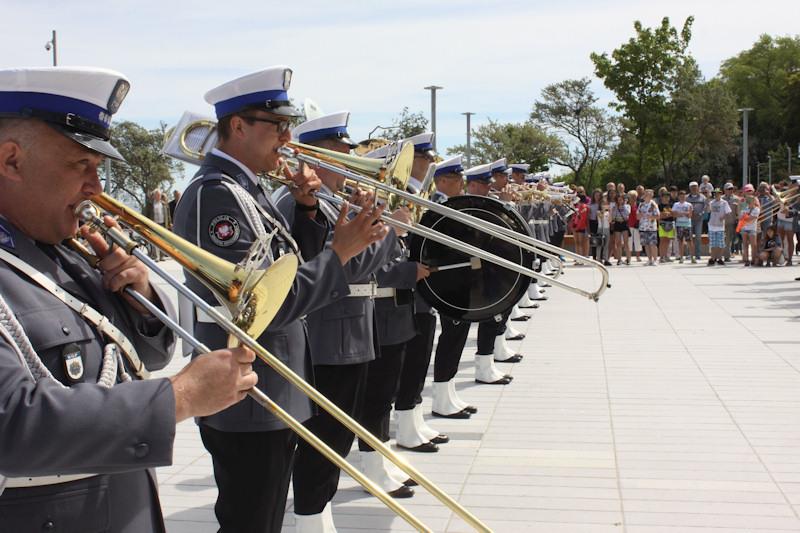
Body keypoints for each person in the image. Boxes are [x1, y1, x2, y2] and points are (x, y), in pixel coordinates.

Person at [0, 66, 259, 532]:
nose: (96, 188)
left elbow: (144, 357)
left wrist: (139, 296)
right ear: (11, 160)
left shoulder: (65, 250)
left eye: (98, 169)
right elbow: (13, 423)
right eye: (81, 165)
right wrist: (179, 398)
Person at [172, 69, 388, 533]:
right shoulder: (217, 196)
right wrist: (341, 252)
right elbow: (261, 305)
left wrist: (310, 212)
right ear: (238, 127)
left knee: (263, 516)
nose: (288, 139)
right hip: (249, 395)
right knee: (250, 520)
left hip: (269, 387)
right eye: (277, 126)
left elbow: (292, 266)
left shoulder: (245, 190)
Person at [272, 111, 405, 530]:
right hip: (327, 330)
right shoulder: (294, 203)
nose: (348, 160)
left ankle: (319, 512)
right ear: (317, 154)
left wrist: (384, 232)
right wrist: (380, 234)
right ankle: (311, 515)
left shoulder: (335, 201)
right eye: (339, 152)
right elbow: (335, 267)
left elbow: (371, 262)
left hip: (354, 326)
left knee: (337, 436)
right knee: (324, 437)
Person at [430, 157, 483, 417]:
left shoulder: (452, 204)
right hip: (446, 280)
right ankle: (441, 397)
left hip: (458, 276)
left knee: (458, 335)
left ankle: (448, 392)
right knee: (451, 336)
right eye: (455, 178)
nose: (461, 182)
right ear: (440, 181)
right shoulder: (436, 204)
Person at [707, 188, 732, 265]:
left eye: (718, 193)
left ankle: (719, 258)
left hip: (720, 226)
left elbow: (728, 212)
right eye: (715, 193)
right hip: (712, 225)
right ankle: (713, 258)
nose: (716, 195)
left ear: (720, 194)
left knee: (721, 243)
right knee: (713, 243)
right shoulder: (711, 202)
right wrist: (708, 203)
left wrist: (723, 217)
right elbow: (708, 211)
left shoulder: (724, 203)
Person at [738, 184, 760, 266]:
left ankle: (753, 259)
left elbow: (752, 218)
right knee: (745, 244)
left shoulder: (756, 209)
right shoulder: (745, 208)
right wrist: (744, 217)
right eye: (749, 201)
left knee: (753, 245)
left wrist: (745, 217)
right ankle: (746, 260)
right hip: (744, 227)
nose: (750, 202)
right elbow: (740, 217)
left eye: (751, 201)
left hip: (752, 228)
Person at [685, 181, 707, 261]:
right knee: (689, 237)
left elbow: (705, 207)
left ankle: (697, 255)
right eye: (692, 187)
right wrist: (689, 213)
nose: (694, 188)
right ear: (690, 188)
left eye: (695, 186)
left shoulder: (702, 197)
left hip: (699, 220)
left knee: (698, 237)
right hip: (689, 220)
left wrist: (700, 214)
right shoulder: (686, 197)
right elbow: (684, 206)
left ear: (698, 187)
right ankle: (689, 254)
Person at [638, 189, 660, 265]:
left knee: (653, 244)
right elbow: (637, 216)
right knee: (646, 244)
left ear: (651, 196)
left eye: (649, 194)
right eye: (646, 194)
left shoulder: (654, 204)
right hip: (643, 227)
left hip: (651, 227)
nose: (647, 196)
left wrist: (650, 216)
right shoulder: (641, 204)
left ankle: (655, 259)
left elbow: (658, 216)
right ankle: (649, 259)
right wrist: (640, 215)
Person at [672, 190, 693, 263]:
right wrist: (684, 213)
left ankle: (692, 257)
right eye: (681, 196)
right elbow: (674, 214)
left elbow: (690, 215)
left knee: (690, 241)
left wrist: (680, 213)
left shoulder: (689, 204)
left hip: (687, 224)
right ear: (678, 197)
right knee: (680, 241)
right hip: (679, 224)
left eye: (683, 196)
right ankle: (681, 257)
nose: (682, 197)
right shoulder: (676, 204)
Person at [610, 192, 630, 265]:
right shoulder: (614, 208)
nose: (620, 201)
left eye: (621, 199)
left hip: (624, 224)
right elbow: (613, 217)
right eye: (618, 200)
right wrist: (615, 209)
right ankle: (619, 259)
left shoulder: (627, 206)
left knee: (626, 242)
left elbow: (627, 214)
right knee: (618, 243)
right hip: (617, 224)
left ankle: (628, 258)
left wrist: (623, 206)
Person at [722, 183, 740, 261]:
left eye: (731, 189)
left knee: (729, 240)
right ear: (725, 190)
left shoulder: (736, 199)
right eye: (729, 189)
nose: (731, 190)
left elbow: (738, 211)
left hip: (731, 222)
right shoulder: (721, 198)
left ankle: (727, 256)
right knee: (722, 239)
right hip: (721, 222)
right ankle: (721, 255)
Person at [657, 190, 675, 263]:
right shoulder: (659, 205)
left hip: (670, 223)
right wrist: (667, 214)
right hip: (662, 224)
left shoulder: (671, 205)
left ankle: (666, 256)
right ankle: (661, 257)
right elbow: (660, 215)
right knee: (662, 241)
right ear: (661, 197)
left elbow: (673, 214)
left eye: (668, 197)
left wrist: (667, 214)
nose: (666, 198)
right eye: (665, 197)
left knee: (668, 241)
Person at [627, 190, 642, 262]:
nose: (633, 198)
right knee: (629, 242)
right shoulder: (626, 205)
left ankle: (638, 257)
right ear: (629, 197)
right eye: (632, 197)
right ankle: (628, 257)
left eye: (635, 196)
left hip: (637, 225)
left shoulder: (639, 204)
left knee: (638, 241)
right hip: (628, 225)